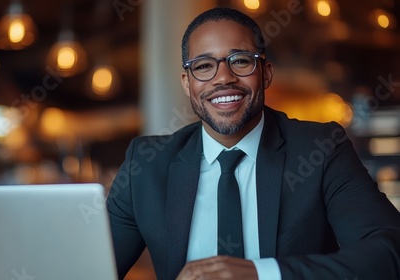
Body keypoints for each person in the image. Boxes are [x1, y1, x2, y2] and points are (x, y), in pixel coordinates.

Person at [106, 7, 400, 280]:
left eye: (241, 61)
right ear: (187, 82)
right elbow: (89, 268)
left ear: (266, 74)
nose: (223, 78)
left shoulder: (320, 149)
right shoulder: (145, 163)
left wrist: (262, 273)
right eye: (204, 65)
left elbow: (388, 252)